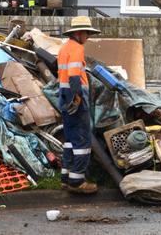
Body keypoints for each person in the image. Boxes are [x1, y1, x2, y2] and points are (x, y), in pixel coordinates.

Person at [57, 16, 100, 194]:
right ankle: (77, 181)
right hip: (75, 99)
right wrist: (77, 97)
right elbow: (75, 76)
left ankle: (66, 178)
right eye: (87, 33)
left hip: (64, 97)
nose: (88, 36)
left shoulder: (64, 48)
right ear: (79, 33)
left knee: (70, 140)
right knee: (82, 141)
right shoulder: (77, 49)